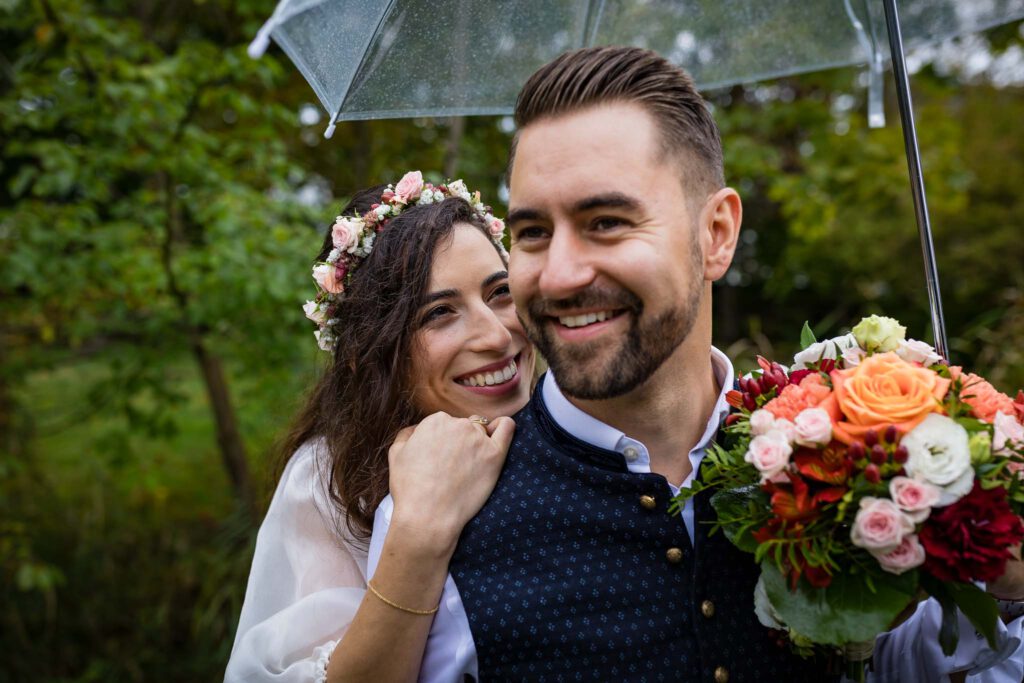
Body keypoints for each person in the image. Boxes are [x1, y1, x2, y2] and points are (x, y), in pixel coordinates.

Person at [368, 46, 1024, 682]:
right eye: (533, 233)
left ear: (716, 235)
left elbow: (905, 660)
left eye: (606, 221)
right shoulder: (439, 517)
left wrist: (1010, 583)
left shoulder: (847, 451)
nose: (559, 274)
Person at [225, 175, 536, 682]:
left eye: (500, 292)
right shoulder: (329, 481)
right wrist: (418, 534)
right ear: (368, 352)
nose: (498, 334)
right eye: (440, 313)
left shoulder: (579, 420)